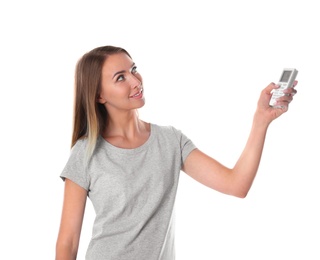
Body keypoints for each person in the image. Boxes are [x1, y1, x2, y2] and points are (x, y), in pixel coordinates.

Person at [55, 45, 298, 260]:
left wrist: (261, 121)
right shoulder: (86, 153)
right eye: (120, 78)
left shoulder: (170, 140)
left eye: (134, 69)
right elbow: (68, 243)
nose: (136, 81)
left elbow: (237, 184)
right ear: (98, 95)